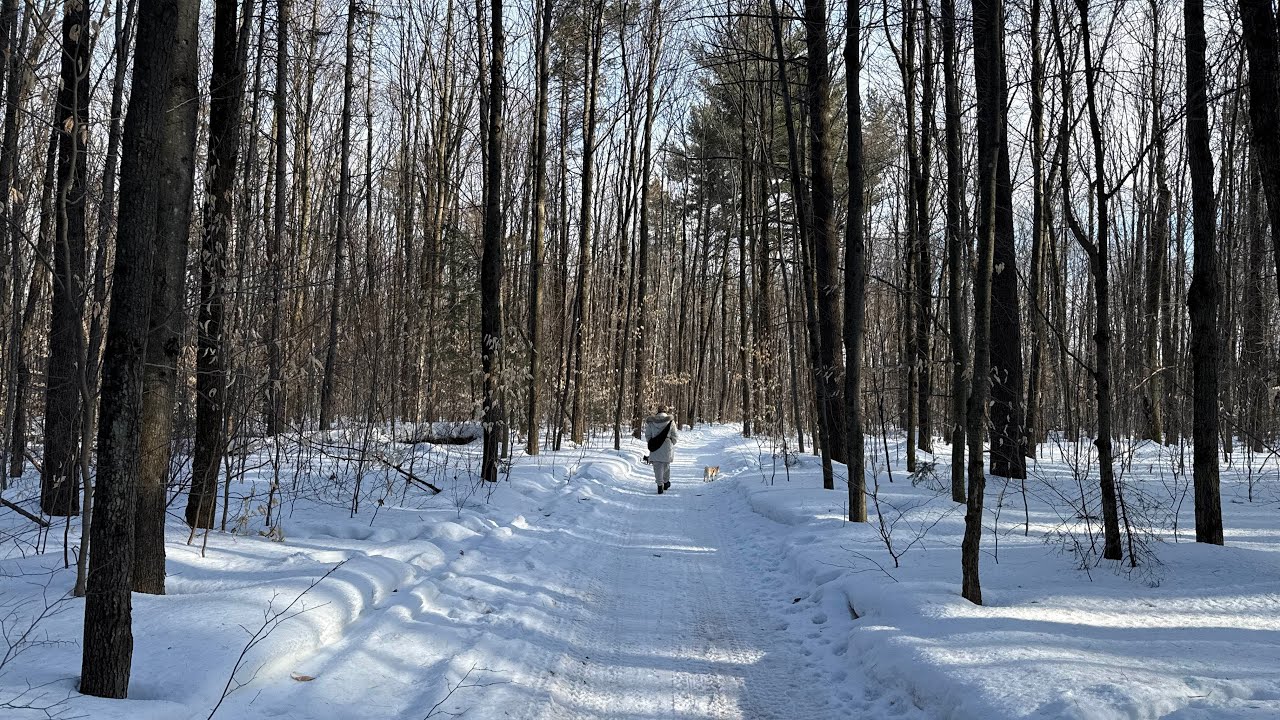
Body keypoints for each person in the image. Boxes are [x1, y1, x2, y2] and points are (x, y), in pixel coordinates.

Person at [643, 405, 678, 494]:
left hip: (655, 446)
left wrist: (652, 442)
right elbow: (675, 436)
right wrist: (671, 442)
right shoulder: (671, 422)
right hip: (667, 446)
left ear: (657, 411)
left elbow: (648, 435)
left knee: (657, 466)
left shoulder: (651, 422)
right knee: (666, 466)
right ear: (666, 411)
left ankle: (659, 485)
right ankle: (665, 483)